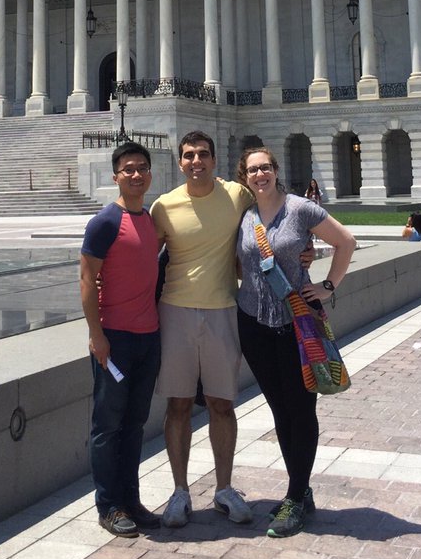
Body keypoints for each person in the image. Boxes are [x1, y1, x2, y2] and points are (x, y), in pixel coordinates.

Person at [236, 146, 356, 537]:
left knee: (301, 410)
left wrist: (327, 285)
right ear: (245, 176)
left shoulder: (300, 209)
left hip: (295, 323)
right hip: (253, 323)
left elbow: (346, 241)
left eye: (266, 167)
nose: (260, 174)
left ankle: (294, 494)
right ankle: (299, 492)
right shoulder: (245, 214)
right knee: (280, 411)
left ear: (276, 170)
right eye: (253, 170)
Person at [149, 130, 253, 528]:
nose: (197, 162)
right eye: (189, 155)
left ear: (214, 160)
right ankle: (179, 491)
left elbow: (274, 210)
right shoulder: (165, 206)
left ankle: (224, 488)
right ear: (180, 162)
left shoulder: (235, 196)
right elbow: (144, 256)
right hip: (174, 312)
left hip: (223, 310)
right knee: (177, 404)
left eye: (203, 155)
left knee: (222, 404)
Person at [80, 141, 162, 538]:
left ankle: (130, 499)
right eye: (128, 168)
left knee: (135, 424)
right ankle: (108, 505)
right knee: (107, 425)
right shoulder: (104, 222)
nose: (135, 174)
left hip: (148, 338)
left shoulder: (150, 220)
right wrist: (97, 336)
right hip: (115, 339)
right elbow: (85, 279)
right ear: (116, 176)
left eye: (141, 168)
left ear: (150, 173)